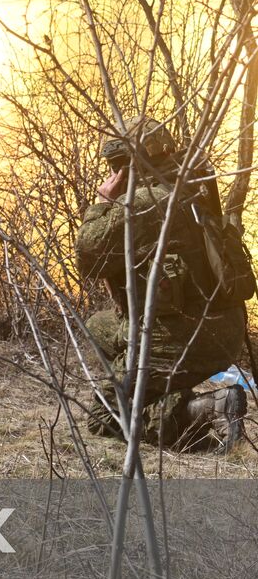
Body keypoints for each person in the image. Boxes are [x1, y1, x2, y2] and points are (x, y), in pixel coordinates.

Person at [76, 115, 250, 451]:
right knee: (98, 326)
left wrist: (102, 203)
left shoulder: (150, 203)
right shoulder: (192, 184)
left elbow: (89, 256)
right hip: (217, 324)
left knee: (103, 418)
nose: (113, 174)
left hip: (192, 332)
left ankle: (203, 412)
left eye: (117, 165)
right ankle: (158, 388)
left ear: (134, 162)